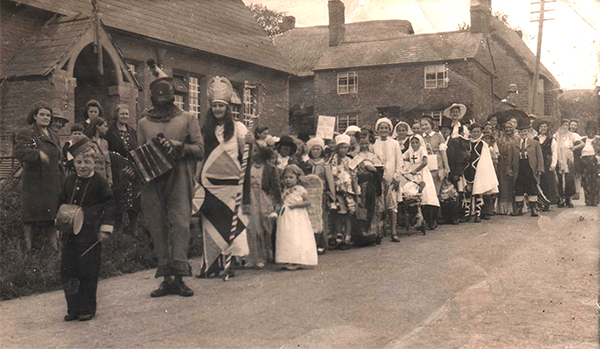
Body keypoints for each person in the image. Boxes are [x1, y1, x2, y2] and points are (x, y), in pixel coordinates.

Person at [139, 62, 203, 296]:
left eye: (166, 91)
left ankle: (179, 276)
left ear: (173, 93)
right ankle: (166, 278)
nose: (162, 95)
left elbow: (199, 149)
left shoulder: (187, 119)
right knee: (158, 227)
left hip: (179, 177)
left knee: (181, 226)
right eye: (157, 92)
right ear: (152, 96)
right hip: (153, 182)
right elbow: (139, 153)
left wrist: (178, 146)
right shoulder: (143, 123)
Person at [199, 76, 251, 280]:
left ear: (228, 108)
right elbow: (201, 158)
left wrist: (250, 143)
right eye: (215, 106)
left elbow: (245, 156)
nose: (218, 110)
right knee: (211, 225)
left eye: (221, 106)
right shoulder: (205, 129)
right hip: (210, 185)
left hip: (232, 185)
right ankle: (212, 264)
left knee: (230, 224)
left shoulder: (238, 128)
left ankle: (231, 263)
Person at [58, 136, 115, 322]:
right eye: (79, 162)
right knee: (68, 269)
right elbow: (61, 202)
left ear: (94, 162)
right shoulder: (69, 181)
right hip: (69, 234)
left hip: (90, 233)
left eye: (87, 161)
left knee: (87, 270)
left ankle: (87, 308)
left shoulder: (99, 182)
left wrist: (105, 228)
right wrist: (58, 223)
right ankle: (72, 307)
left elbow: (109, 205)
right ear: (74, 162)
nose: (83, 166)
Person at [14, 101, 64, 252]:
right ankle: (28, 248)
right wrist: (37, 154)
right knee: (30, 215)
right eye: (42, 114)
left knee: (51, 214)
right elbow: (19, 151)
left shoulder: (54, 135)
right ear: (35, 116)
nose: (45, 117)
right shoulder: (27, 133)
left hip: (52, 180)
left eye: (48, 115)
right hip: (35, 181)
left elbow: (58, 156)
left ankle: (54, 248)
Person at [242, 140, 281, 268]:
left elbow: (276, 186)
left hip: (265, 199)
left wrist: (277, 202)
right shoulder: (246, 167)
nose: (253, 153)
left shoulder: (270, 168)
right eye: (252, 150)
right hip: (251, 198)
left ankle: (267, 255)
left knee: (266, 227)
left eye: (256, 150)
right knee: (252, 228)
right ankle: (254, 258)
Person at [105, 105, 140, 235]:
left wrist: (134, 168)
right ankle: (118, 230)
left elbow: (136, 150)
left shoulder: (132, 131)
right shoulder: (110, 131)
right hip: (117, 170)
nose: (125, 116)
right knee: (119, 199)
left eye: (126, 114)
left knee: (134, 200)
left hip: (131, 170)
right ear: (116, 115)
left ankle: (134, 229)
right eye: (122, 114)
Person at [275, 165, 317, 270]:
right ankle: (289, 258)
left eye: (291, 177)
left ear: (297, 178)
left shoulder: (300, 189)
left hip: (297, 216)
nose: (288, 180)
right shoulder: (285, 189)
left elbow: (308, 202)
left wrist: (296, 205)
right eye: (286, 178)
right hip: (286, 215)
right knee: (287, 236)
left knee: (296, 236)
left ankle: (298, 260)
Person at [299, 137, 336, 254]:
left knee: (321, 217)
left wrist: (332, 196)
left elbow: (330, 181)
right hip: (309, 194)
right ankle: (311, 243)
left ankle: (322, 243)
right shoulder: (306, 164)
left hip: (321, 194)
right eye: (313, 149)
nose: (315, 152)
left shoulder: (325, 164)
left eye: (318, 149)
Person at [461, 124, 499, 222]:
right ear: (470, 132)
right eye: (474, 132)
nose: (476, 134)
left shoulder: (483, 144)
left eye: (478, 132)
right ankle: (467, 213)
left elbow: (485, 159)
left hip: (478, 170)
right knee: (468, 192)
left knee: (478, 192)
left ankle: (477, 213)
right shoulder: (466, 143)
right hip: (467, 170)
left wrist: (482, 170)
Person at [373, 118, 403, 242]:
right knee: (379, 205)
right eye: (381, 128)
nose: (384, 130)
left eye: (386, 128)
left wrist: (396, 177)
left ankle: (393, 232)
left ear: (390, 129)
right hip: (378, 179)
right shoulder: (374, 144)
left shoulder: (394, 143)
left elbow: (399, 161)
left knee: (392, 205)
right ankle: (377, 231)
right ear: (378, 129)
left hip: (391, 178)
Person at [403, 134, 440, 228]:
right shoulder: (410, 150)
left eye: (416, 142)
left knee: (427, 196)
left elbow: (425, 162)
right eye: (412, 142)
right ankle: (417, 219)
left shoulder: (422, 149)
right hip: (413, 174)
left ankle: (431, 221)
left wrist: (416, 170)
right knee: (414, 195)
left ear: (420, 142)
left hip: (422, 172)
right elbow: (403, 157)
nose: (414, 144)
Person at [354, 131, 384, 246]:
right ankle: (362, 235)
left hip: (371, 185)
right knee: (361, 208)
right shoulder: (356, 156)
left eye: (366, 143)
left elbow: (379, 171)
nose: (364, 146)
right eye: (362, 144)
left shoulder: (374, 156)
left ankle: (373, 233)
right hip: (361, 185)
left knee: (373, 208)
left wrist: (373, 170)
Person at [328, 134, 358, 249]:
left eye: (345, 148)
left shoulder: (351, 160)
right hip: (338, 190)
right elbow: (332, 173)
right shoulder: (333, 160)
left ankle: (347, 237)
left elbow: (354, 174)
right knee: (339, 213)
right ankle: (338, 237)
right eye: (341, 148)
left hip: (349, 190)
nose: (343, 150)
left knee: (349, 214)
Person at [512, 118, 544, 216]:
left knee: (532, 188)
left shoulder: (534, 143)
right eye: (521, 132)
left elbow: (540, 157)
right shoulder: (514, 144)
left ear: (528, 132)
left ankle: (533, 209)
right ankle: (519, 209)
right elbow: (510, 158)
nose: (523, 133)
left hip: (530, 168)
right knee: (518, 188)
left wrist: (540, 168)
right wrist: (509, 169)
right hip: (519, 168)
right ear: (518, 133)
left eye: (525, 131)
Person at [421, 117, 449, 228]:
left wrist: (446, 167)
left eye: (426, 124)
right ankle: (426, 219)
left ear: (431, 125)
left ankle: (434, 219)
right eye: (422, 125)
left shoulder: (438, 136)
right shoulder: (420, 138)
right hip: (425, 167)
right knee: (426, 192)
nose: (424, 127)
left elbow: (443, 152)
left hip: (437, 167)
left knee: (435, 193)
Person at [553, 119, 584, 208]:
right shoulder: (556, 135)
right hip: (559, 157)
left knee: (569, 178)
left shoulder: (572, 135)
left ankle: (568, 199)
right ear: (561, 125)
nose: (565, 127)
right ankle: (560, 199)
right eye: (564, 125)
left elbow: (582, 144)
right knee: (559, 178)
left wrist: (574, 148)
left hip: (569, 157)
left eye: (567, 125)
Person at [496, 114, 520, 214]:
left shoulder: (518, 139)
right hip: (502, 165)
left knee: (514, 186)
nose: (508, 129)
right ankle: (504, 209)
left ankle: (516, 208)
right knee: (504, 187)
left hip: (515, 165)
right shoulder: (500, 140)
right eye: (506, 128)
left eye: (510, 127)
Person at [533, 117, 558, 209]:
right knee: (538, 183)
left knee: (547, 183)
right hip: (537, 164)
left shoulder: (551, 140)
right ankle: (539, 203)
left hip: (547, 164)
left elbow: (554, 153)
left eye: (545, 126)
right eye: (541, 126)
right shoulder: (535, 139)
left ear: (547, 128)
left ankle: (547, 204)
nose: (543, 128)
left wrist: (553, 165)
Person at [84, 117, 112, 186]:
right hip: (91, 180)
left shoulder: (104, 143)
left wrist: (109, 180)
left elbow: (108, 163)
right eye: (105, 126)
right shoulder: (88, 142)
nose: (107, 129)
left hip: (103, 180)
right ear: (97, 127)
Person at [579, 121, 600, 206]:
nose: (590, 132)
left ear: (595, 131)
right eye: (589, 130)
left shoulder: (598, 140)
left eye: (592, 130)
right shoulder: (582, 140)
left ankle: (595, 200)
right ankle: (588, 200)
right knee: (585, 181)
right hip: (584, 163)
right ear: (586, 131)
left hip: (595, 162)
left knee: (596, 181)